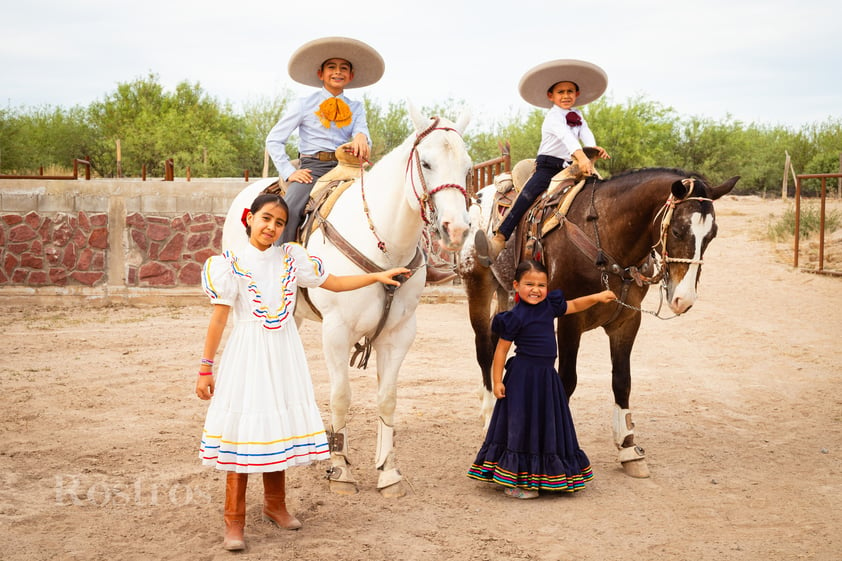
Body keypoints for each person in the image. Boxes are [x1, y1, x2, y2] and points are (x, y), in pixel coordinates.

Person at [195, 192, 409, 551]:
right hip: (248, 354)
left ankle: (275, 505)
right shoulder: (228, 264)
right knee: (244, 430)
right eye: (265, 219)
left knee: (276, 428)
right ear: (249, 218)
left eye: (279, 222)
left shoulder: (292, 258)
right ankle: (234, 520)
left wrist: (377, 276)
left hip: (283, 354)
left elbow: (335, 283)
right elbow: (218, 319)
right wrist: (205, 368)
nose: (271, 227)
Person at [266, 36, 456, 285]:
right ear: (320, 73)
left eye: (344, 68)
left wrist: (360, 137)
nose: (337, 72)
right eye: (332, 68)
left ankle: (420, 261)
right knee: (290, 206)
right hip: (313, 168)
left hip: (348, 167)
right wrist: (288, 172)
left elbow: (363, 134)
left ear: (351, 76)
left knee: (397, 200)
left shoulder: (356, 107)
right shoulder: (304, 104)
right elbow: (274, 140)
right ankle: (281, 266)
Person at [466, 259, 616, 499]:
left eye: (541, 285)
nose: (535, 289)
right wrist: (496, 381)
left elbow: (575, 304)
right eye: (529, 284)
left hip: (547, 379)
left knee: (546, 424)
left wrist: (597, 297)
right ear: (515, 285)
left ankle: (544, 476)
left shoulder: (550, 306)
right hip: (522, 380)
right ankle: (519, 482)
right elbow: (501, 351)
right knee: (522, 426)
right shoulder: (514, 317)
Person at [475, 59, 611, 265]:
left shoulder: (578, 116)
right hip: (548, 167)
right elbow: (567, 138)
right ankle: (499, 239)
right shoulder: (553, 118)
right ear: (551, 96)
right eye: (561, 92)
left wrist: (592, 150)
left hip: (572, 167)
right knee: (526, 197)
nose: (566, 96)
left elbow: (585, 133)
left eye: (570, 92)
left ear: (577, 95)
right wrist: (582, 156)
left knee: (600, 193)